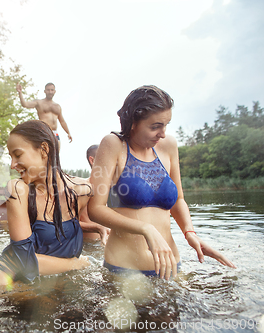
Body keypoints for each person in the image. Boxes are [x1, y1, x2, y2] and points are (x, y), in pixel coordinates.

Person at [87, 85, 236, 280]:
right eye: (155, 126)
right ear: (133, 122)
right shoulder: (114, 145)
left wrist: (190, 233)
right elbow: (95, 208)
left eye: (166, 125)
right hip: (125, 270)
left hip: (171, 267)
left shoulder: (169, 146)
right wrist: (146, 229)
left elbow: (178, 199)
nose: (163, 133)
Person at [0, 120, 90, 290]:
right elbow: (24, 259)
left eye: (18, 155)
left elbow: (84, 229)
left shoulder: (81, 190)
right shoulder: (17, 189)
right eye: (11, 157)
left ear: (44, 149)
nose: (13, 165)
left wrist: (98, 228)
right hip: (11, 277)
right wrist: (74, 264)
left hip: (49, 282)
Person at [16, 82, 72, 149]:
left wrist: (68, 133)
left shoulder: (57, 106)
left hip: (54, 132)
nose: (50, 92)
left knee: (56, 155)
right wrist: (20, 93)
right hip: (44, 130)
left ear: (55, 91)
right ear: (45, 91)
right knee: (44, 153)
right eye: (48, 90)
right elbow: (25, 104)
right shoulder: (39, 103)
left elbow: (62, 121)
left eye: (52, 90)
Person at [78, 144, 110, 244]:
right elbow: (68, 223)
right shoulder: (83, 189)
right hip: (90, 248)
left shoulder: (116, 190)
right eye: (108, 159)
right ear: (92, 160)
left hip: (109, 249)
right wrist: (98, 228)